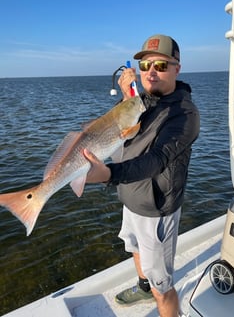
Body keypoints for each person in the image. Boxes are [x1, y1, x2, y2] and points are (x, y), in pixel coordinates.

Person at [83, 34, 200, 317]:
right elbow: (123, 132)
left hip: (156, 210)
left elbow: (156, 160)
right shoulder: (143, 100)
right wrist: (127, 97)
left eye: (161, 65)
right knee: (133, 247)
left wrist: (108, 174)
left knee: (164, 286)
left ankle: (160, 297)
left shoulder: (184, 114)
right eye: (146, 65)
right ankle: (143, 287)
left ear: (177, 68)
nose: (151, 72)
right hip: (131, 199)